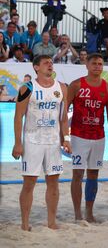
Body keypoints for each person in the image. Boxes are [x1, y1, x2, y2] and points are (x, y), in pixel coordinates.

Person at [12, 55, 71, 231]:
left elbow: (64, 117)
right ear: (36, 67)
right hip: (32, 141)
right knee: (29, 182)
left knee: (53, 182)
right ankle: (25, 223)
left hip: (52, 142)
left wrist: (66, 139)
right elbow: (18, 117)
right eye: (45, 63)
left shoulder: (61, 87)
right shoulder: (27, 88)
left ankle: (51, 222)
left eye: (51, 63)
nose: (50, 65)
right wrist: (17, 143)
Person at [67, 54, 108, 222]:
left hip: (98, 136)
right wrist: (64, 136)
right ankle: (77, 213)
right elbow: (63, 111)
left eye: (100, 64)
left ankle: (89, 212)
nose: (97, 66)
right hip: (78, 135)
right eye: (94, 63)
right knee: (78, 174)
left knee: (93, 174)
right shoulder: (76, 85)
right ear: (86, 65)